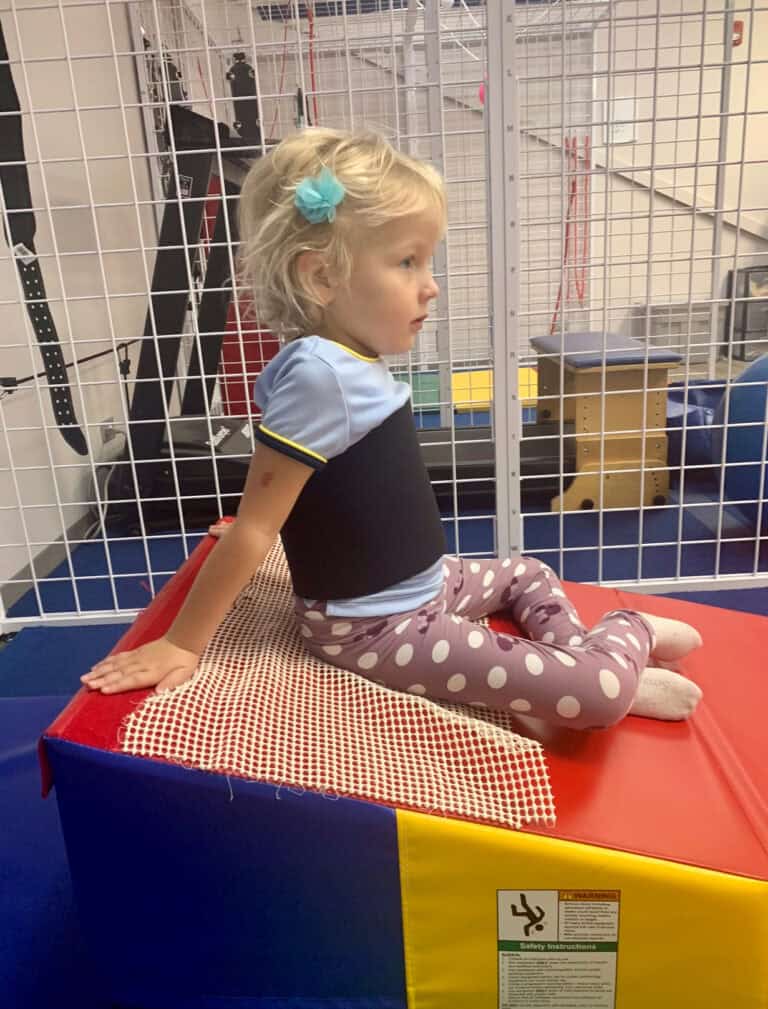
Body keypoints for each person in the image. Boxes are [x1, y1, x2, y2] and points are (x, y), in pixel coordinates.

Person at [82, 127, 703, 729]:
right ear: (321, 277)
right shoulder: (319, 376)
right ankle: (621, 651)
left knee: (529, 571)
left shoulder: (351, 361)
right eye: (407, 262)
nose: (430, 286)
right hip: (377, 628)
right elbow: (255, 526)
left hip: (429, 584)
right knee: (593, 704)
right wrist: (183, 643)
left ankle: (586, 664)